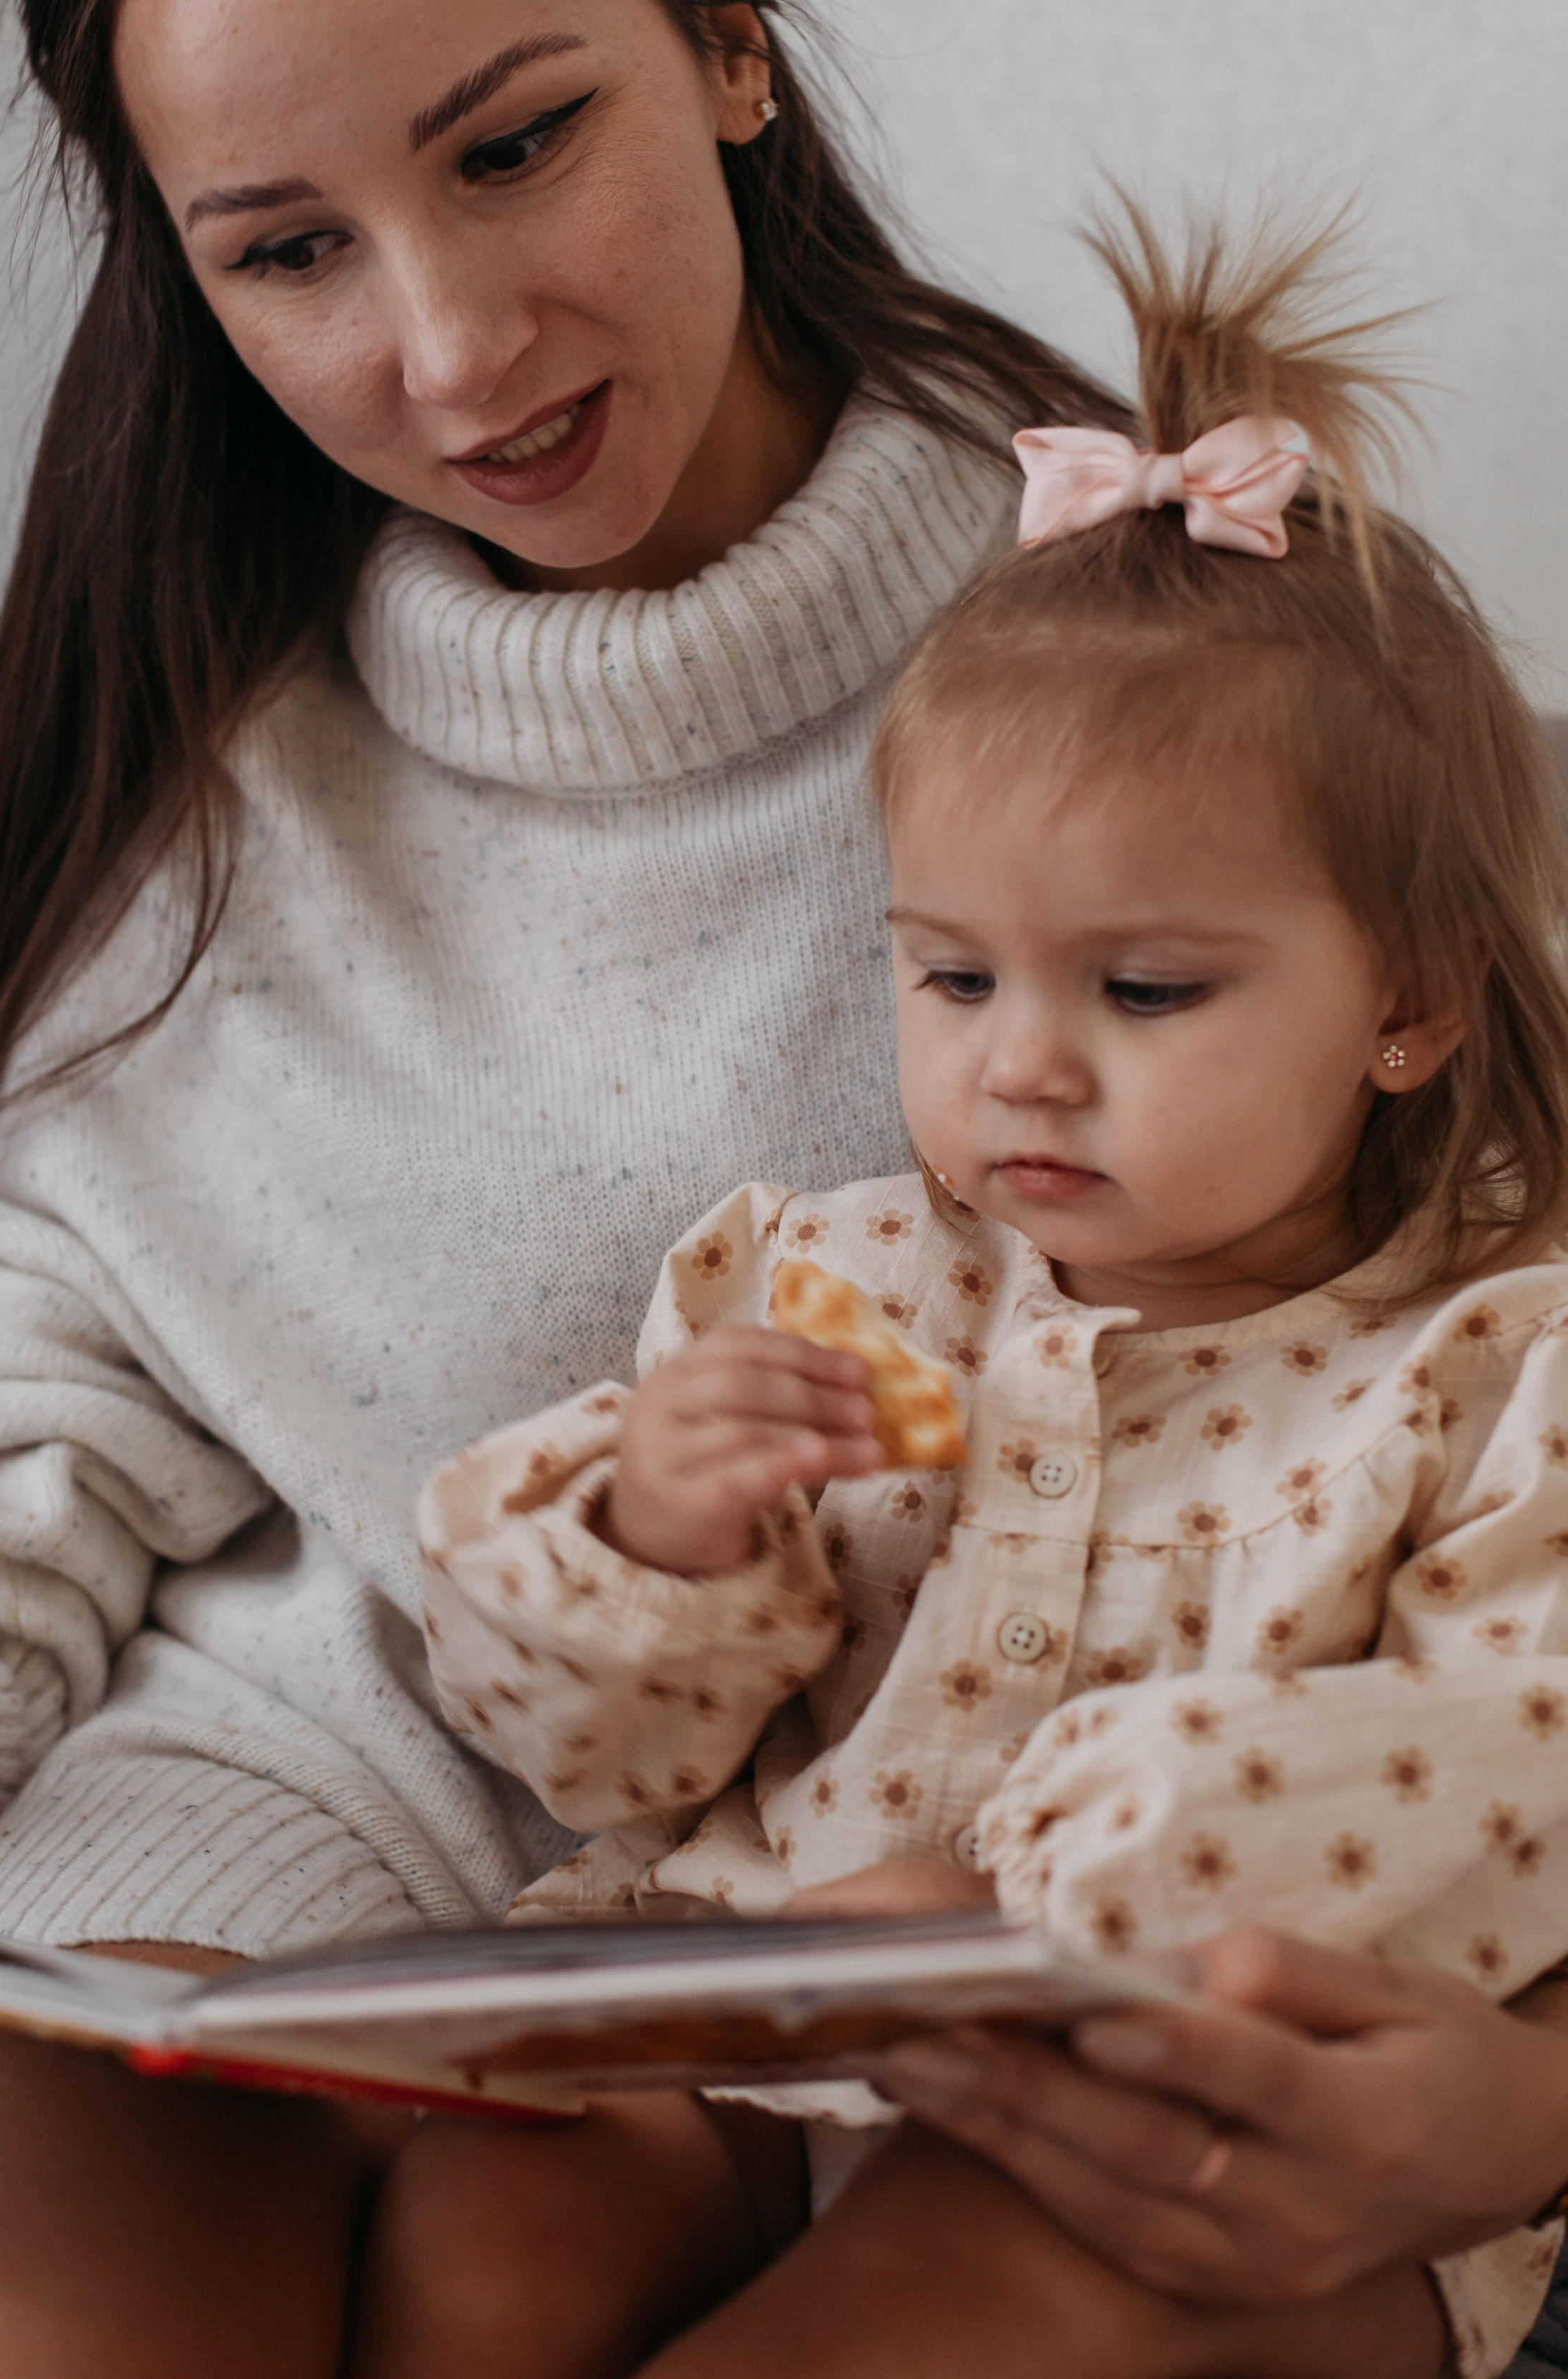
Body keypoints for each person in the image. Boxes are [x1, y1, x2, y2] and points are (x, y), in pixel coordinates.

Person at [0, 0, 1563, 2368]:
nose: (456, 349)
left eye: (518, 146)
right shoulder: (194, 767)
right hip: (244, 1873)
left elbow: (1505, 1511)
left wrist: (1519, 2109)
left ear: (728, 50)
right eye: (287, 251)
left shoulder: (1187, 638)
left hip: (1025, 1951)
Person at [376, 206, 1568, 2379]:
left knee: (940, 2303)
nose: (1017, 1059)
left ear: (1407, 1003)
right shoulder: (829, 1283)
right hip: (741, 2028)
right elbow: (605, 1759)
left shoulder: (1498, 1370)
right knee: (490, 2215)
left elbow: (1521, 1788)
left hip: (1188, 2141)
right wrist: (654, 1535)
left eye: (1141, 986)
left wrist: (1031, 1914)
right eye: (950, 973)